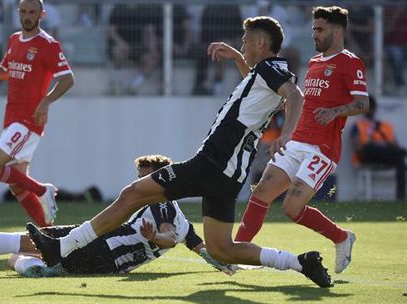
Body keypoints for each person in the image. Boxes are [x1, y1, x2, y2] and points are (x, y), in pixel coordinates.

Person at [27, 16, 334, 288]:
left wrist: (287, 134)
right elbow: (259, 94)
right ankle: (300, 262)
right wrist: (239, 58)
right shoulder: (268, 73)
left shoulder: (269, 70)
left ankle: (63, 247)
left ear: (259, 42)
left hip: (212, 164)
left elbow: (295, 96)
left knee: (131, 194)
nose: (243, 44)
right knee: (221, 249)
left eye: (245, 40)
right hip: (229, 174)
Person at [0, 155, 236, 277]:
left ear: (161, 178)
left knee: (21, 250)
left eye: (144, 176)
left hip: (103, 251)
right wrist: (221, 261)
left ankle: (35, 266)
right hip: (106, 256)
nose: (138, 183)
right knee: (23, 245)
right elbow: (199, 247)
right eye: (137, 175)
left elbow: (167, 234)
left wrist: (156, 238)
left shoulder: (163, 205)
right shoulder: (179, 220)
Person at [235, 6, 370, 275]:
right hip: (296, 142)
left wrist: (335, 112)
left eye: (320, 30)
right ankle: (236, 251)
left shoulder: (350, 62)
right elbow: (299, 102)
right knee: (261, 193)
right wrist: (286, 133)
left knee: (291, 207)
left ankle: (341, 237)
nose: (314, 35)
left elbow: (362, 103)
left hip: (322, 149)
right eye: (313, 30)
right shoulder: (315, 62)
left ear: (338, 31)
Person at [0, 0, 74, 226]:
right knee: (17, 185)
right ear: (18, 12)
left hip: (28, 120)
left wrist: (46, 102)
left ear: (41, 14)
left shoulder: (48, 44)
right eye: (23, 11)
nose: (27, 16)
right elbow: (5, 72)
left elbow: (68, 79)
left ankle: (42, 190)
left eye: (32, 12)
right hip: (12, 119)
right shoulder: (14, 39)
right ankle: (48, 235)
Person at [351, 95, 406, 199]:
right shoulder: (358, 126)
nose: (370, 110)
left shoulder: (384, 126)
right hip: (367, 155)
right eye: (368, 107)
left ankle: (401, 196)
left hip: (385, 155)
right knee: (370, 148)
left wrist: (384, 144)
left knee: (400, 155)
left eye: (372, 107)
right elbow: (358, 148)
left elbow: (395, 145)